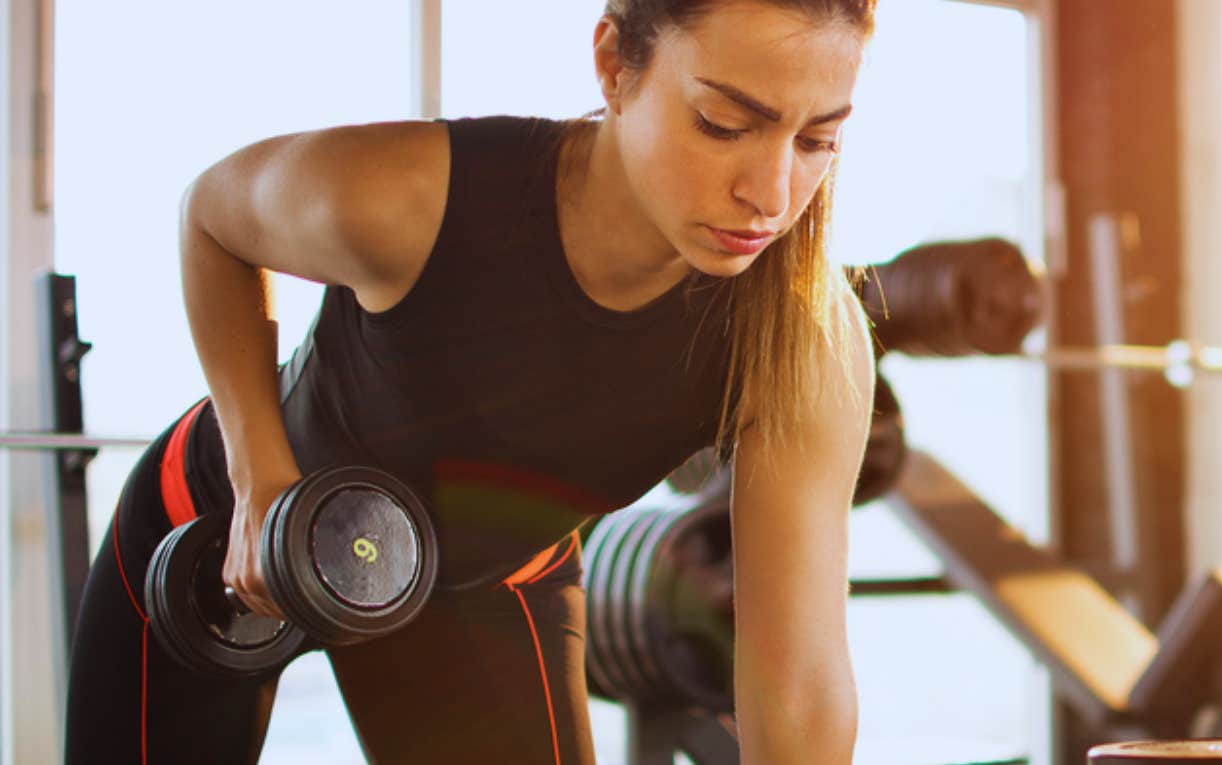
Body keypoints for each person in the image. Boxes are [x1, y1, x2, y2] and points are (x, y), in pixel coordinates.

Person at [64, 0, 877, 762]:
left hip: (477, 583)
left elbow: (798, 684)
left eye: (817, 142)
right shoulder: (411, 196)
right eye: (723, 123)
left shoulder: (803, 338)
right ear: (614, 65)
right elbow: (211, 216)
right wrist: (259, 480)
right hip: (225, 522)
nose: (770, 197)